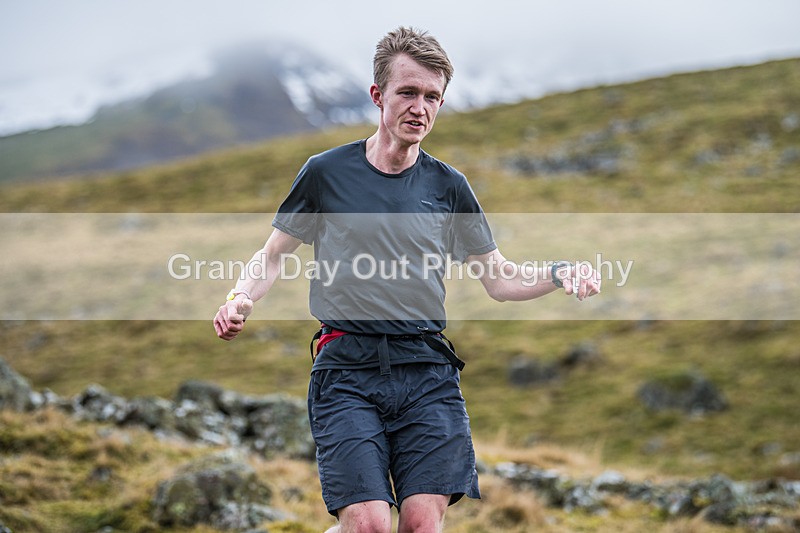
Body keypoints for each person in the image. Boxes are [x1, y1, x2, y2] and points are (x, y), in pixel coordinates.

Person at [214, 26, 601, 533]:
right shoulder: (325, 174)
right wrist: (240, 296)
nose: (421, 107)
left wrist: (557, 273)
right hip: (347, 371)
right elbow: (270, 256)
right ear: (378, 96)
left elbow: (500, 279)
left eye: (433, 97)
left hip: (426, 372)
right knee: (369, 525)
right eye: (408, 92)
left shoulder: (448, 187)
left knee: (420, 524)